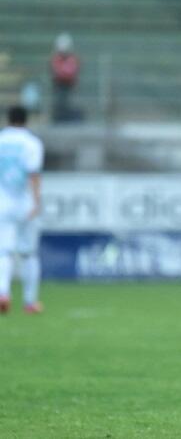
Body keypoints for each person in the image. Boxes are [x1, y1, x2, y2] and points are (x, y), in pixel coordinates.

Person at [0, 105, 44, 315]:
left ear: (8, 119)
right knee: (28, 254)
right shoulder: (32, 143)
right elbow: (33, 174)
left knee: (3, 251)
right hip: (24, 201)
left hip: (2, 201)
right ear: (26, 120)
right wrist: (36, 202)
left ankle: (3, 292)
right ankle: (30, 302)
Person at [49, 33, 80, 122]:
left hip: (70, 84)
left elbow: (72, 71)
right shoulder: (56, 59)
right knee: (59, 102)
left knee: (69, 103)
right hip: (59, 84)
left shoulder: (72, 58)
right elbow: (57, 71)